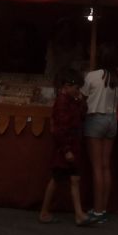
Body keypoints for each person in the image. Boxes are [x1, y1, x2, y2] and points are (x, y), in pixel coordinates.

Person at [39, 67, 90, 225]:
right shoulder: (61, 103)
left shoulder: (71, 101)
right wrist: (66, 150)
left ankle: (78, 214)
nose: (78, 91)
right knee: (57, 179)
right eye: (76, 88)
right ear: (67, 86)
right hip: (65, 148)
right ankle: (44, 212)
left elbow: (81, 115)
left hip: (72, 145)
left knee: (74, 178)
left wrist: (81, 101)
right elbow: (60, 129)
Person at [82, 42, 118, 223]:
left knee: (97, 167)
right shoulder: (117, 78)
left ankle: (97, 211)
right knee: (106, 166)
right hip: (112, 121)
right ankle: (103, 208)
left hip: (95, 120)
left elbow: (82, 97)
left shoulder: (91, 77)